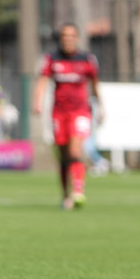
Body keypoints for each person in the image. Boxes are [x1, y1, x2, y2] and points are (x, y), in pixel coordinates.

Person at [33, 23, 102, 210]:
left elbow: (95, 83)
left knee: (74, 151)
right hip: (59, 113)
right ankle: (66, 195)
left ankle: (78, 190)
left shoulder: (87, 59)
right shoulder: (52, 58)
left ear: (76, 38)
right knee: (63, 156)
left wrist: (101, 106)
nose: (68, 39)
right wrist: (37, 101)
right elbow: (42, 81)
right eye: (64, 36)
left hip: (80, 111)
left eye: (71, 35)